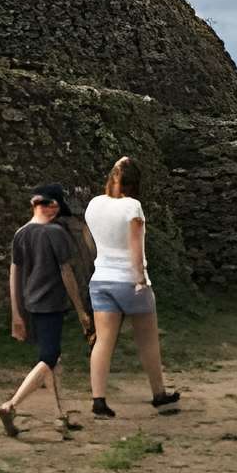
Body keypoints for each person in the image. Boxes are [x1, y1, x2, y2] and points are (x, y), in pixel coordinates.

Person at [85, 155, 181, 418]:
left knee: (103, 341)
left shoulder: (94, 205)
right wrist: (140, 279)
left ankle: (98, 399)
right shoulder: (133, 208)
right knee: (148, 341)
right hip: (129, 280)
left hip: (101, 279)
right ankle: (158, 394)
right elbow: (136, 248)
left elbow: (92, 241)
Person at [0, 183, 93, 438]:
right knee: (49, 359)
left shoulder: (21, 233)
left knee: (53, 361)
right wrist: (81, 310)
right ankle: (12, 405)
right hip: (51, 305)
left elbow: (14, 273)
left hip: (30, 304)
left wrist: (16, 313)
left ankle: (60, 416)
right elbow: (66, 273)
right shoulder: (55, 233)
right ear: (52, 207)